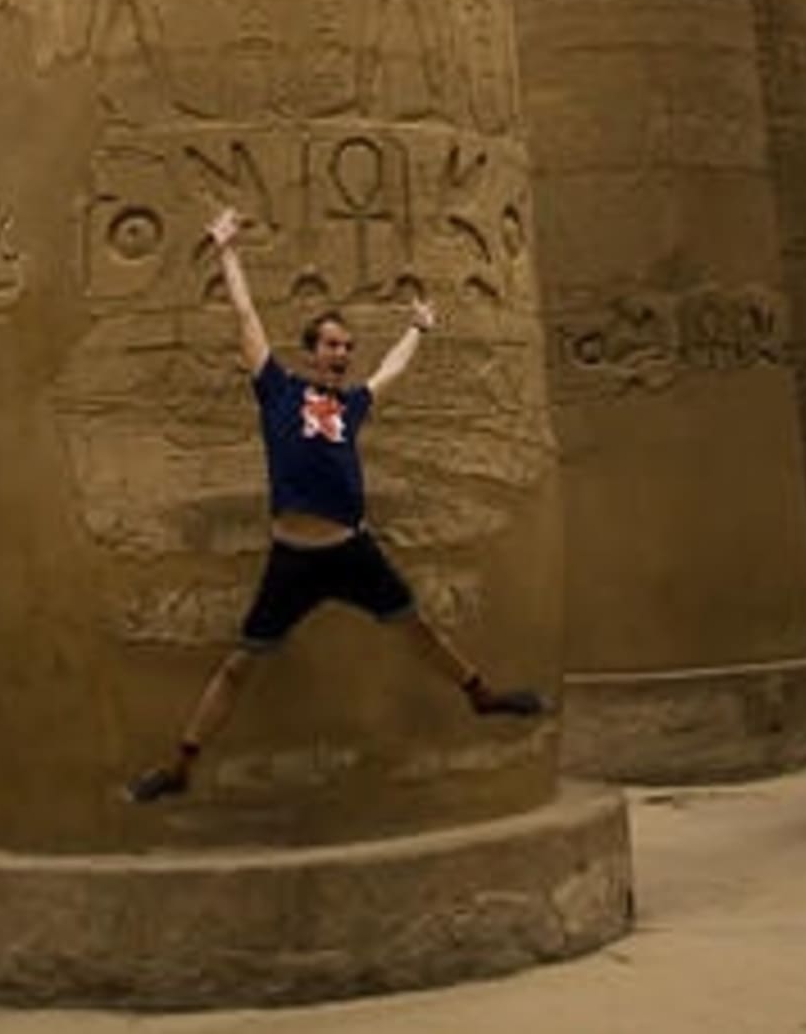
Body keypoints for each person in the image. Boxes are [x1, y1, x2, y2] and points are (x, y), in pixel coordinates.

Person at [127, 207, 546, 802]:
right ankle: (181, 765)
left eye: (347, 347)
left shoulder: (350, 406)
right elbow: (245, 317)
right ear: (310, 351)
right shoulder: (278, 389)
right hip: (292, 559)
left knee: (417, 627)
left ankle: (480, 694)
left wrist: (419, 328)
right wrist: (227, 251)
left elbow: (390, 370)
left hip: (351, 551)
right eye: (331, 345)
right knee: (240, 665)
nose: (341, 354)